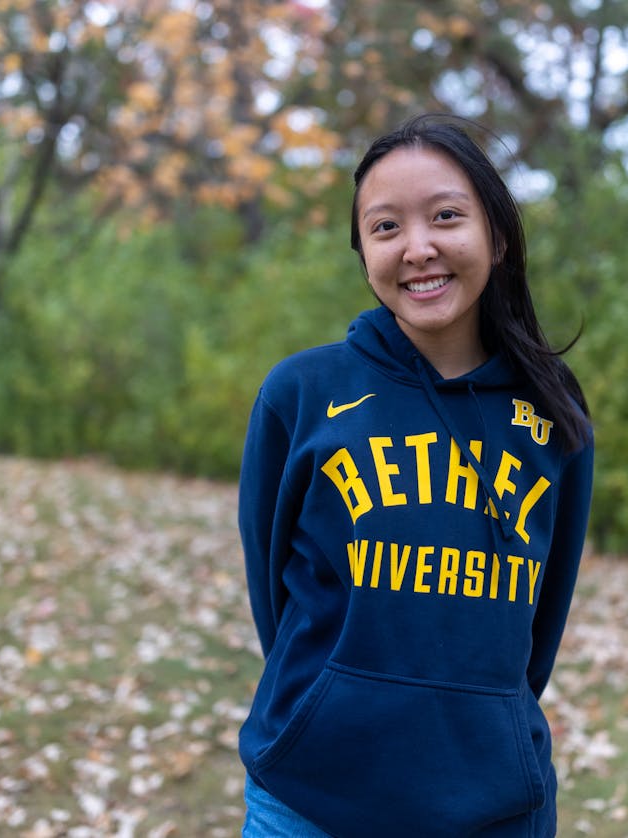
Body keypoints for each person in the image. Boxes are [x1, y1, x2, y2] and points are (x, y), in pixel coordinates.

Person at [237, 114, 595, 837]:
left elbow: (542, 621)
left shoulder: (550, 405)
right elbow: (274, 596)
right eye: (385, 227)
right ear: (363, 251)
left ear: (495, 237)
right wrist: (333, 700)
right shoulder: (302, 393)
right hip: (311, 801)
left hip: (494, 808)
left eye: (446, 217)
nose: (419, 248)